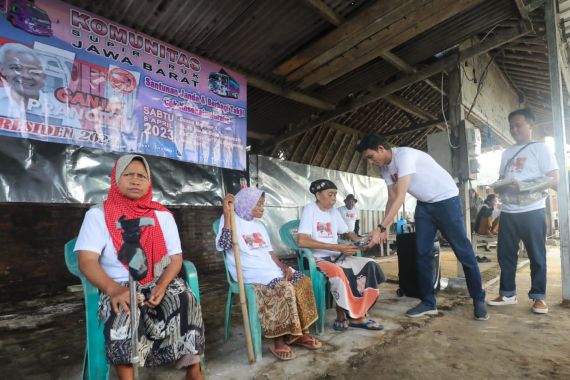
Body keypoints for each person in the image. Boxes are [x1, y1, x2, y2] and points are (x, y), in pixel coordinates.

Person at [75, 154, 205, 380]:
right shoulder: (97, 215)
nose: (135, 180)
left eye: (141, 176)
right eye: (128, 175)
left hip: (156, 279)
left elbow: (176, 258)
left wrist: (163, 285)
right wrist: (114, 289)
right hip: (117, 283)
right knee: (123, 312)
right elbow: (86, 261)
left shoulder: (162, 216)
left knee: (185, 298)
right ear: (116, 178)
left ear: (149, 182)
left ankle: (193, 370)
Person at [356, 134, 488, 321]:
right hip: (424, 206)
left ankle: (478, 298)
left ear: (381, 148)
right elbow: (392, 198)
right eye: (367, 160)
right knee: (422, 253)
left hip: (446, 201)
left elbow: (401, 196)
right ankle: (428, 302)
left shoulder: (405, 156)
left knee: (462, 250)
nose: (370, 162)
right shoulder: (385, 169)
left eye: (370, 157)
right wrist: (384, 228)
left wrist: (380, 226)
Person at [215, 187, 322, 361]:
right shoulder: (231, 220)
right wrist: (227, 215)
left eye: (263, 205)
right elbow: (225, 244)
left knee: (303, 281)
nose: (262, 208)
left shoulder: (259, 225)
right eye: (258, 204)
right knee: (283, 288)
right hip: (250, 271)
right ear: (246, 204)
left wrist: (283, 268)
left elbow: (270, 253)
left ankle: (298, 334)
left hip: (270, 269)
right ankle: (278, 340)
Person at [487, 108, 558, 314]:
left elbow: (553, 178)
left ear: (530, 125)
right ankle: (507, 293)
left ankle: (539, 297)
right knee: (505, 255)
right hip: (508, 211)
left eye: (518, 125)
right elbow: (503, 177)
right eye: (511, 126)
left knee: (536, 255)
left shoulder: (541, 149)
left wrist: (523, 186)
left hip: (532, 210)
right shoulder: (507, 152)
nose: (514, 129)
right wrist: (499, 186)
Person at [297, 179, 385, 331]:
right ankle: (346, 315)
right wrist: (337, 247)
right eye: (330, 194)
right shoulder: (309, 209)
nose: (333, 198)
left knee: (370, 264)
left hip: (338, 257)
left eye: (335, 195)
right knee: (339, 272)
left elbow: (348, 232)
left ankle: (358, 311)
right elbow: (302, 241)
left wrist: (362, 240)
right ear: (318, 195)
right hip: (318, 259)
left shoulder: (334, 212)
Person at [0, 43, 80, 131]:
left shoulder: (63, 112)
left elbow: (78, 140)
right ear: (3, 70)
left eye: (34, 71)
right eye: (16, 68)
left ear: (44, 77)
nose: (26, 76)